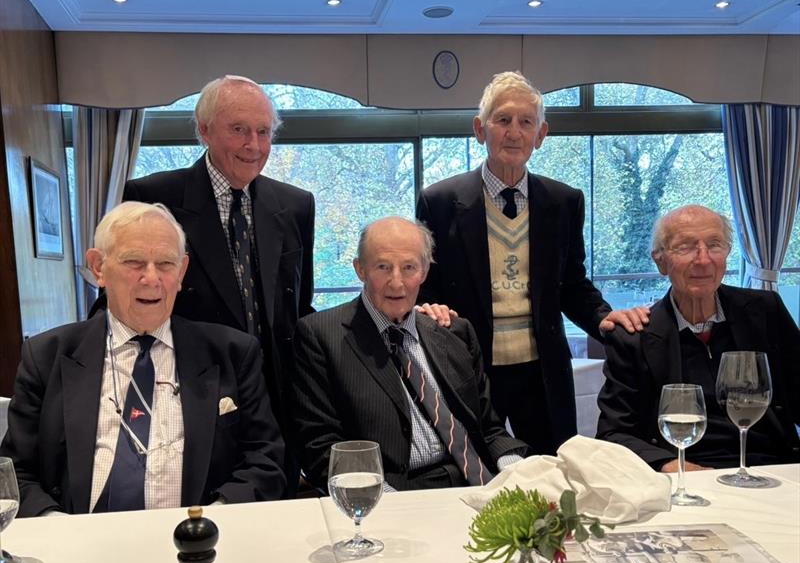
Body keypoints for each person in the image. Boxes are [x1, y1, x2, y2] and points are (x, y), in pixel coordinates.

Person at [1, 202, 286, 517]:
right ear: (98, 268)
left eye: (165, 263)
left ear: (181, 272)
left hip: (194, 542)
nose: (152, 279)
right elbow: (14, 472)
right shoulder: (47, 356)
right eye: (134, 262)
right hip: (79, 537)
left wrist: (214, 519)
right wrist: (57, 526)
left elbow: (265, 460)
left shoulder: (233, 352)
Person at [417, 71, 648, 455]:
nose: (514, 132)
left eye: (527, 122)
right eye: (503, 120)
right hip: (469, 367)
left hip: (542, 371)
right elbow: (428, 285)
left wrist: (602, 317)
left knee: (551, 471)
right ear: (480, 129)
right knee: (471, 468)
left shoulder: (564, 202)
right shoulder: (438, 201)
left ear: (541, 135)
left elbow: (572, 283)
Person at [117, 75, 314, 490]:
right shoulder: (154, 197)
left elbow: (300, 308)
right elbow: (127, 301)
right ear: (204, 130)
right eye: (239, 129)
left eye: (263, 132)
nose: (254, 145)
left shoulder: (295, 205)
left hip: (280, 401)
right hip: (194, 395)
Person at [290, 217, 529, 491]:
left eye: (409, 268)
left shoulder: (454, 332)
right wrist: (383, 499)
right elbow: (320, 449)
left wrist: (516, 473)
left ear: (425, 271)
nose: (397, 282)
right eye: (382, 267)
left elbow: (489, 428)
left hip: (475, 484)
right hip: (396, 491)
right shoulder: (320, 337)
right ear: (360, 269)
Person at [596, 205, 800, 471]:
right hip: (685, 475)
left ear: (727, 254)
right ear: (660, 261)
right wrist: (675, 467)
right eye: (685, 247)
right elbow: (613, 434)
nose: (703, 259)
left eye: (715, 245)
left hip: (770, 469)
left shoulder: (764, 312)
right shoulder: (634, 336)